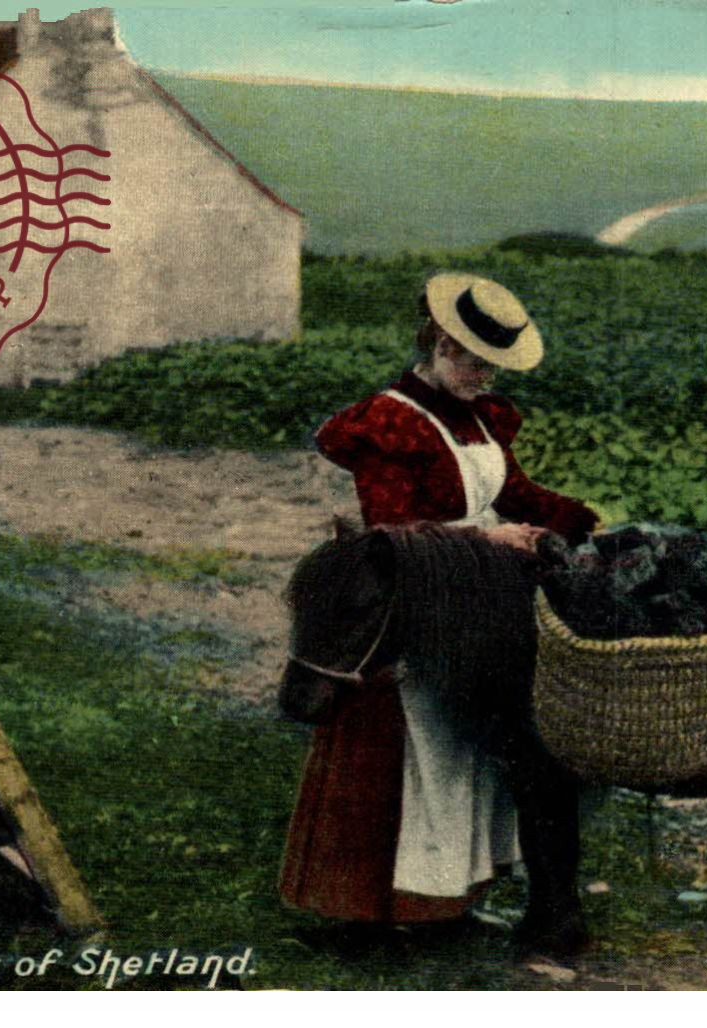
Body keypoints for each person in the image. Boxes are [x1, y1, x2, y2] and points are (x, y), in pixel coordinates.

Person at [279, 272, 598, 926]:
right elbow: (391, 533)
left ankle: (455, 891)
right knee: (427, 747)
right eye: (476, 363)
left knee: (476, 748)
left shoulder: (480, 418)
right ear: (441, 345)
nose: (484, 377)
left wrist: (583, 524)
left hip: (472, 595)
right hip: (414, 603)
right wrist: (493, 540)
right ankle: (393, 901)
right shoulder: (392, 422)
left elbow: (514, 495)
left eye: (491, 367)